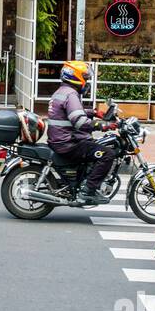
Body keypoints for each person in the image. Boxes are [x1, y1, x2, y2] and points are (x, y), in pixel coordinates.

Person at [46, 60, 118, 205]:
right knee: (107, 154)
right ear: (76, 77)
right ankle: (87, 192)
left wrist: (95, 113)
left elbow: (73, 112)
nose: (86, 81)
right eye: (85, 78)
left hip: (61, 139)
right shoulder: (71, 94)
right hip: (68, 143)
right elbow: (79, 121)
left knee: (93, 146)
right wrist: (104, 126)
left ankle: (84, 182)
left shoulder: (62, 91)